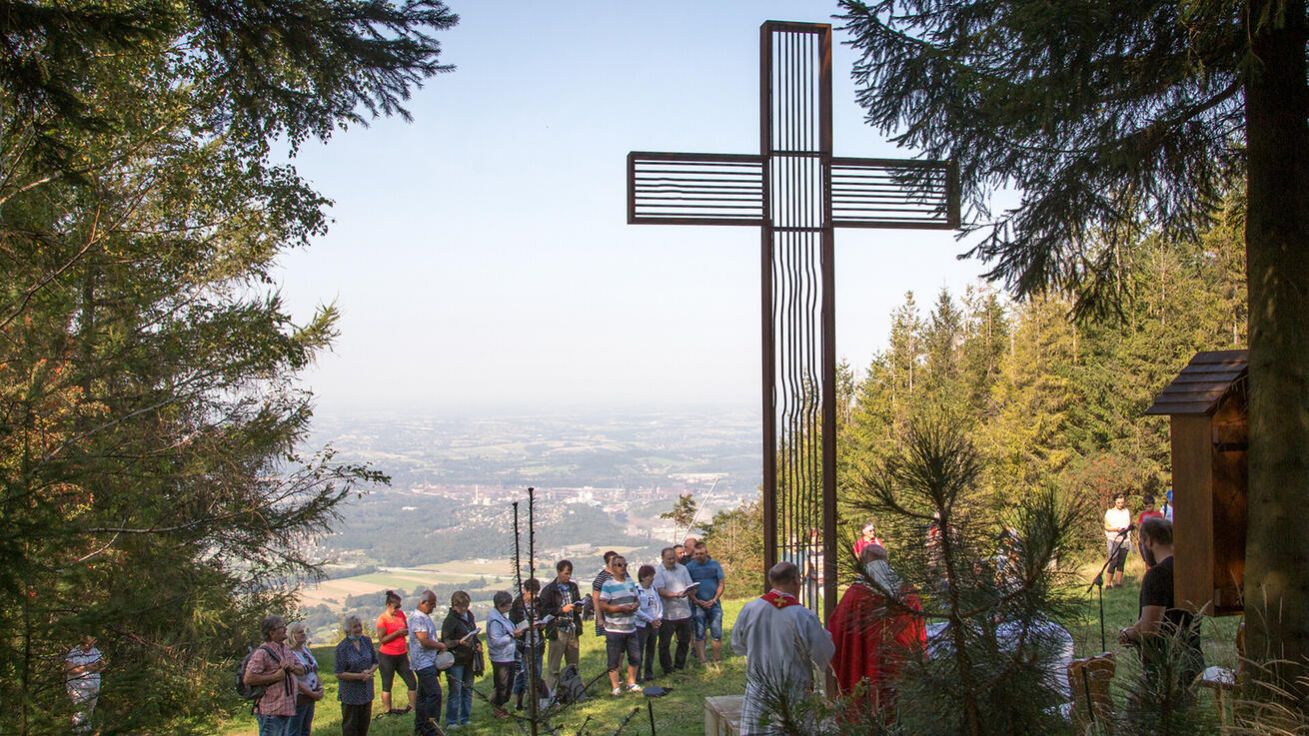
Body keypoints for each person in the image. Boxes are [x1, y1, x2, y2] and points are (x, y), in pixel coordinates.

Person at [732, 562, 835, 736]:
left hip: (759, 685)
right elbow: (823, 653)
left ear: (771, 581)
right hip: (793, 687)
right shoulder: (803, 616)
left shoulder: (750, 609)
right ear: (796, 580)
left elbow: (737, 645)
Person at [827, 545, 925, 714]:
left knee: (867, 709)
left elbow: (836, 629)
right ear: (886, 560)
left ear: (863, 563)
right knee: (899, 712)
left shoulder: (855, 595)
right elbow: (919, 630)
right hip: (899, 663)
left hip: (864, 666)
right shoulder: (907, 592)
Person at [1118, 518, 1204, 697]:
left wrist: (1127, 634)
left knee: (1140, 720)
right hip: (1192, 660)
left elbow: (1150, 627)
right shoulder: (1190, 570)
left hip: (1165, 666)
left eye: (1141, 543)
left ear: (1148, 541)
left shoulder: (1157, 575)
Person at [244, 615, 305, 736]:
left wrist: (292, 667)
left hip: (286, 708)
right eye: (281, 627)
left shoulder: (285, 649)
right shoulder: (262, 653)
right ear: (272, 633)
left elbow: (301, 670)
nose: (285, 629)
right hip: (270, 711)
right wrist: (275, 677)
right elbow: (248, 678)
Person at [599, 554, 644, 695]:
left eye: (625, 565)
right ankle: (615, 687)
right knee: (614, 659)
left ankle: (631, 682)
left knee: (635, 657)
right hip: (614, 628)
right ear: (612, 568)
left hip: (630, 626)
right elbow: (603, 605)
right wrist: (619, 609)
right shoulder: (608, 585)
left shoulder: (630, 582)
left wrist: (635, 605)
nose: (623, 567)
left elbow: (637, 598)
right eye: (619, 565)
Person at [407, 590, 447, 736]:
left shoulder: (423, 616)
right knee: (435, 694)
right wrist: (440, 646)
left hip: (427, 661)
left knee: (423, 697)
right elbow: (423, 641)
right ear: (423, 602)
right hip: (423, 663)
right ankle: (432, 728)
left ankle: (420, 728)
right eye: (432, 604)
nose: (434, 607)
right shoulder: (418, 618)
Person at [540, 559, 582, 691]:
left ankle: (573, 691)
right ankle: (550, 696)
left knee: (573, 665)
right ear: (558, 572)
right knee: (554, 667)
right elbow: (544, 612)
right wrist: (561, 610)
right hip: (558, 630)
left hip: (572, 629)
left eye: (570, 574)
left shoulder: (573, 587)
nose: (568, 577)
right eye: (565, 573)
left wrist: (578, 608)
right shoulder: (549, 590)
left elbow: (577, 601)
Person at [441, 590, 480, 729]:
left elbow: (473, 632)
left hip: (469, 658)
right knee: (455, 691)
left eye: (466, 606)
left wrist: (477, 642)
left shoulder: (469, 615)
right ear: (454, 605)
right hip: (456, 660)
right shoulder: (450, 620)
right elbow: (445, 642)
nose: (464, 610)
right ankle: (451, 721)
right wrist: (459, 642)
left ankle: (465, 718)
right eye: (462, 607)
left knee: (468, 689)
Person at [654, 546, 695, 675]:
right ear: (663, 558)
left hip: (684, 611)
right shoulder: (658, 572)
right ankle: (667, 668)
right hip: (667, 613)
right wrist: (676, 594)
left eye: (673, 558)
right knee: (664, 643)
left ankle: (679, 665)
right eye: (669, 558)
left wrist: (691, 590)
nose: (672, 561)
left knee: (684, 641)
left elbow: (689, 583)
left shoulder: (682, 569)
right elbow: (660, 591)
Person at [334, 615, 377, 736]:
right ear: (348, 630)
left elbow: (375, 662)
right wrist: (359, 676)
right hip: (351, 694)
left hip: (366, 691)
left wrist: (369, 671)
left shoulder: (366, 641)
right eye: (355, 627)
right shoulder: (342, 648)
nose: (358, 629)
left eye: (359, 626)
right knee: (350, 727)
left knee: (364, 726)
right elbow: (339, 673)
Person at [685, 542, 726, 665]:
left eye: (702, 553)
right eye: (697, 554)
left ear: (706, 553)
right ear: (694, 554)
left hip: (714, 604)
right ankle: (703, 660)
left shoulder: (715, 565)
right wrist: (696, 600)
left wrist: (714, 599)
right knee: (699, 633)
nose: (699, 556)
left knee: (716, 632)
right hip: (697, 605)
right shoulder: (690, 567)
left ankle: (716, 659)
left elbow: (721, 583)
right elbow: (688, 586)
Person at [375, 590, 415, 716]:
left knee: (412, 682)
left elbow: (406, 628)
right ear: (388, 605)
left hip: (402, 654)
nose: (398, 609)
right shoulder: (382, 619)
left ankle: (413, 708)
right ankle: (388, 711)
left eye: (399, 606)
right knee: (387, 684)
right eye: (395, 607)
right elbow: (382, 640)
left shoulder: (401, 615)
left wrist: (405, 632)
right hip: (387, 656)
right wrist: (397, 633)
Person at [510, 578, 547, 710]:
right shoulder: (517, 605)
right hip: (524, 644)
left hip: (538, 642)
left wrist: (542, 624)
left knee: (536, 673)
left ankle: (529, 701)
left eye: (536, 593)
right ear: (525, 590)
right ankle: (528, 702)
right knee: (528, 675)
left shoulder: (538, 602)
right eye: (532, 593)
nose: (534, 596)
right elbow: (513, 625)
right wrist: (524, 628)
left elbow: (543, 616)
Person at [287, 622, 324, 736]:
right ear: (292, 635)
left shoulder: (306, 650)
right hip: (299, 697)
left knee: (306, 730)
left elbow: (314, 670)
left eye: (303, 631)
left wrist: (320, 687)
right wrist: (310, 693)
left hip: (311, 695)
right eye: (300, 632)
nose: (303, 634)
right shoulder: (289, 653)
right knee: (294, 731)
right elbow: (293, 679)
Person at [65, 634, 104, 735]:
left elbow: (102, 665)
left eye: (92, 643)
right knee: (80, 710)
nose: (90, 646)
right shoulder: (74, 652)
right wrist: (86, 667)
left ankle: (87, 730)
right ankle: (78, 732)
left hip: (94, 685)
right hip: (78, 686)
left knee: (90, 709)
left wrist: (98, 667)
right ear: (84, 642)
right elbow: (70, 669)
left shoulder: (95, 651)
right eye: (88, 643)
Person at [486, 591, 517, 718]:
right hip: (501, 657)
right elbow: (496, 641)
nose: (510, 606)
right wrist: (512, 635)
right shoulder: (495, 620)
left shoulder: (502, 616)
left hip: (508, 655)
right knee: (502, 685)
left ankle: (500, 705)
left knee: (508, 683)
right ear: (501, 605)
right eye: (508, 604)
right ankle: (498, 708)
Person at [634, 564, 663, 682]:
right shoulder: (636, 589)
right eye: (651, 576)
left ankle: (649, 674)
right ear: (644, 577)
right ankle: (637, 675)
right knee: (639, 650)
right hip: (641, 624)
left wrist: (659, 617)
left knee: (651, 649)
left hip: (654, 623)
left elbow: (659, 604)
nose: (653, 579)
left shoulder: (653, 589)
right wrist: (649, 619)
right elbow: (636, 609)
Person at [1103, 493, 1133, 588]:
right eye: (1119, 502)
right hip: (1113, 539)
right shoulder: (1110, 512)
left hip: (1125, 540)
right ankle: (1108, 583)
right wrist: (1116, 529)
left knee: (1121, 562)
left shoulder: (1126, 511)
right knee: (1113, 562)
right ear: (1115, 502)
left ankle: (1118, 583)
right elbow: (1106, 527)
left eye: (1122, 502)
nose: (1121, 504)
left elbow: (1128, 524)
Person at [591, 550, 619, 636]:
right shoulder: (601, 578)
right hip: (608, 615)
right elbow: (596, 599)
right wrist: (599, 618)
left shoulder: (622, 574)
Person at [1136, 495, 1166, 565]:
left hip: (1156, 540)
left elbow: (1161, 527)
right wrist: (1139, 536)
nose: (1148, 508)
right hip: (1146, 540)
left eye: (1150, 506)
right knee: (1147, 560)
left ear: (1153, 505)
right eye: (1146, 507)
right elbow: (1141, 527)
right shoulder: (1143, 515)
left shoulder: (1158, 514)